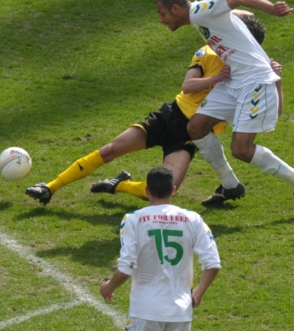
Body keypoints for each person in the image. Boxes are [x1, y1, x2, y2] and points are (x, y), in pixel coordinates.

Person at [25, 16, 271, 207]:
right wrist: (216, 78)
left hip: (190, 136)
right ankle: (49, 187)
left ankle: (119, 185)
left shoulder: (254, 72)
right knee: (110, 150)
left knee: (162, 191)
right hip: (169, 118)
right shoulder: (207, 52)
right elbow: (187, 86)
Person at [156, 0, 294, 216]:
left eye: (162, 14)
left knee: (241, 149)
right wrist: (240, 16)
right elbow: (238, 11)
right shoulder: (200, 17)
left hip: (254, 81)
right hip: (234, 80)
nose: (161, 20)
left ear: (175, 9)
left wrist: (271, 8)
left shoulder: (201, 11)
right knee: (196, 127)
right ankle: (231, 184)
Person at [100, 166, 220, 331]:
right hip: (179, 310)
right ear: (174, 190)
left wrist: (109, 286)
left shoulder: (133, 219)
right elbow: (212, 263)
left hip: (144, 310)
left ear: (146, 191)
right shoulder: (192, 219)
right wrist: (197, 292)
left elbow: (125, 267)